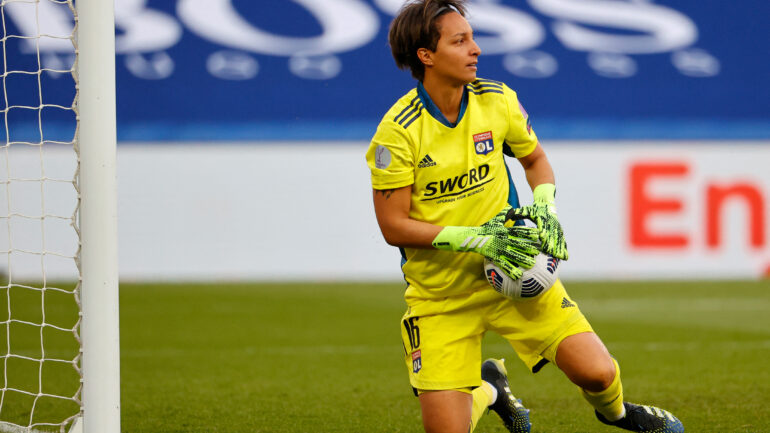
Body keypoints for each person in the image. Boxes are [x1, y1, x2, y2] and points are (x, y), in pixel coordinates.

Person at [365, 1, 685, 432]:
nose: (475, 49)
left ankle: (621, 414)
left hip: (515, 267)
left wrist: (545, 210)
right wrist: (480, 239)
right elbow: (393, 226)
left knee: (598, 373)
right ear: (426, 55)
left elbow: (535, 160)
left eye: (472, 37)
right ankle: (491, 389)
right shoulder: (398, 132)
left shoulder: (496, 100)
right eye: (460, 41)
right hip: (441, 297)